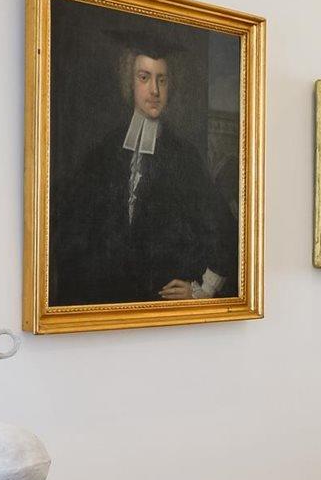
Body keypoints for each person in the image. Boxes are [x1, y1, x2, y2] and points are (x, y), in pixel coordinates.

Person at [53, 36, 232, 305]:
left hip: (158, 301)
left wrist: (202, 289)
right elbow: (75, 227)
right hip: (106, 299)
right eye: (144, 77)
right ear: (130, 81)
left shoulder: (184, 156)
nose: (154, 90)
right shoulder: (105, 150)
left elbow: (222, 228)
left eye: (162, 80)